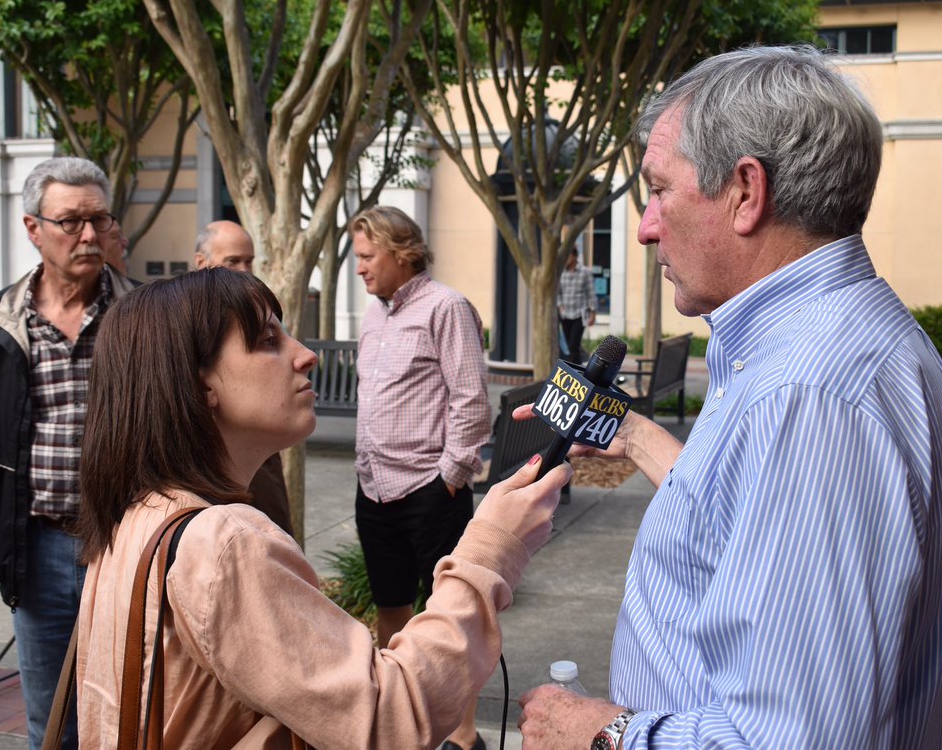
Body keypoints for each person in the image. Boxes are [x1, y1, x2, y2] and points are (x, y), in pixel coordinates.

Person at [517, 46, 942, 750]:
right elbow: (741, 520)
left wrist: (601, 732)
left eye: (659, 190)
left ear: (745, 191)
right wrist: (633, 434)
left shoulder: (808, 397)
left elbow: (792, 738)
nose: (645, 226)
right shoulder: (821, 347)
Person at [73, 268, 571, 747]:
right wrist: (490, 550)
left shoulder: (134, 518)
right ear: (199, 384)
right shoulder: (224, 544)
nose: (306, 355)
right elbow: (389, 720)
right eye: (267, 340)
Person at [0, 157, 137, 750]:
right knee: (50, 726)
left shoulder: (143, 316)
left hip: (125, 544)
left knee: (131, 717)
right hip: (36, 549)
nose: (88, 235)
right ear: (33, 228)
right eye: (70, 221)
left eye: (98, 219)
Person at [352, 206, 492, 750]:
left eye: (368, 256)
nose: (360, 268)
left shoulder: (446, 307)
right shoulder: (374, 315)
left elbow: (470, 400)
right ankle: (403, 722)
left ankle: (462, 736)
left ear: (401, 252)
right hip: (373, 489)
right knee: (391, 605)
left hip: (430, 492)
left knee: (450, 616)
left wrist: (450, 478)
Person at [194, 218, 293, 535]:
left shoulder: (260, 310)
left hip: (258, 461)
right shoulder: (181, 320)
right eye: (233, 261)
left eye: (249, 261)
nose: (244, 270)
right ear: (201, 262)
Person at [557, 246, 596, 364]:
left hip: (580, 314)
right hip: (565, 314)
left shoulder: (585, 272)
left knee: (573, 345)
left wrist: (593, 313)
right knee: (571, 346)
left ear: (575, 256)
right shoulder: (561, 272)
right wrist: (560, 306)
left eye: (567, 256)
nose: (565, 259)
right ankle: (578, 369)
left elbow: (591, 293)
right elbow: (558, 292)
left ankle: (570, 370)